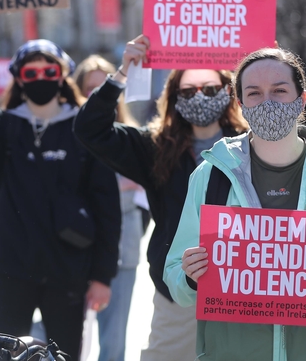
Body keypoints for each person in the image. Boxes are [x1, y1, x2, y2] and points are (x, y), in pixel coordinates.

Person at [163, 46, 306, 361]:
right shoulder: (212, 176)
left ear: (302, 98)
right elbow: (176, 278)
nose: (267, 101)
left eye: (279, 90)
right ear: (240, 102)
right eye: (254, 93)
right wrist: (190, 275)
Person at [0, 2, 120, 358]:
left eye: (49, 71)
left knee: (64, 356)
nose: (40, 79)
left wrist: (102, 276)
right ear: (18, 79)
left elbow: (106, 206)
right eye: (30, 74)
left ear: (63, 75)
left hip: (69, 269)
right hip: (13, 267)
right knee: (5, 355)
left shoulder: (85, 130)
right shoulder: (3, 127)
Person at [73, 35, 248, 361]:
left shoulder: (253, 146)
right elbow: (89, 129)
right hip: (179, 291)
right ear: (174, 97)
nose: (200, 97)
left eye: (210, 89)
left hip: (242, 287)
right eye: (188, 91)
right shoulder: (155, 147)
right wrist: (123, 72)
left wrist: (274, 74)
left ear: (229, 92)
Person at [74, 55, 146, 361]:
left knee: (113, 341)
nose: (99, 94)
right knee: (68, 338)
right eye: (91, 88)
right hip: (76, 245)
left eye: (107, 86)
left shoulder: (133, 135)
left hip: (123, 247)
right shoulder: (70, 135)